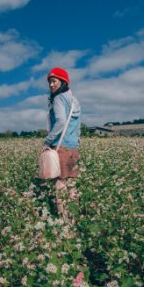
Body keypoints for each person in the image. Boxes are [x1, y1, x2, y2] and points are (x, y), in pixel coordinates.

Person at [42, 67, 81, 215]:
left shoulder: (59, 98)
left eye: (54, 81)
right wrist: (76, 142)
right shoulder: (74, 101)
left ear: (63, 82)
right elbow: (77, 128)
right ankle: (73, 217)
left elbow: (60, 122)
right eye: (50, 82)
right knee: (71, 184)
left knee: (60, 183)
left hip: (60, 147)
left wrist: (47, 141)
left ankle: (64, 221)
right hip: (73, 147)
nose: (51, 85)